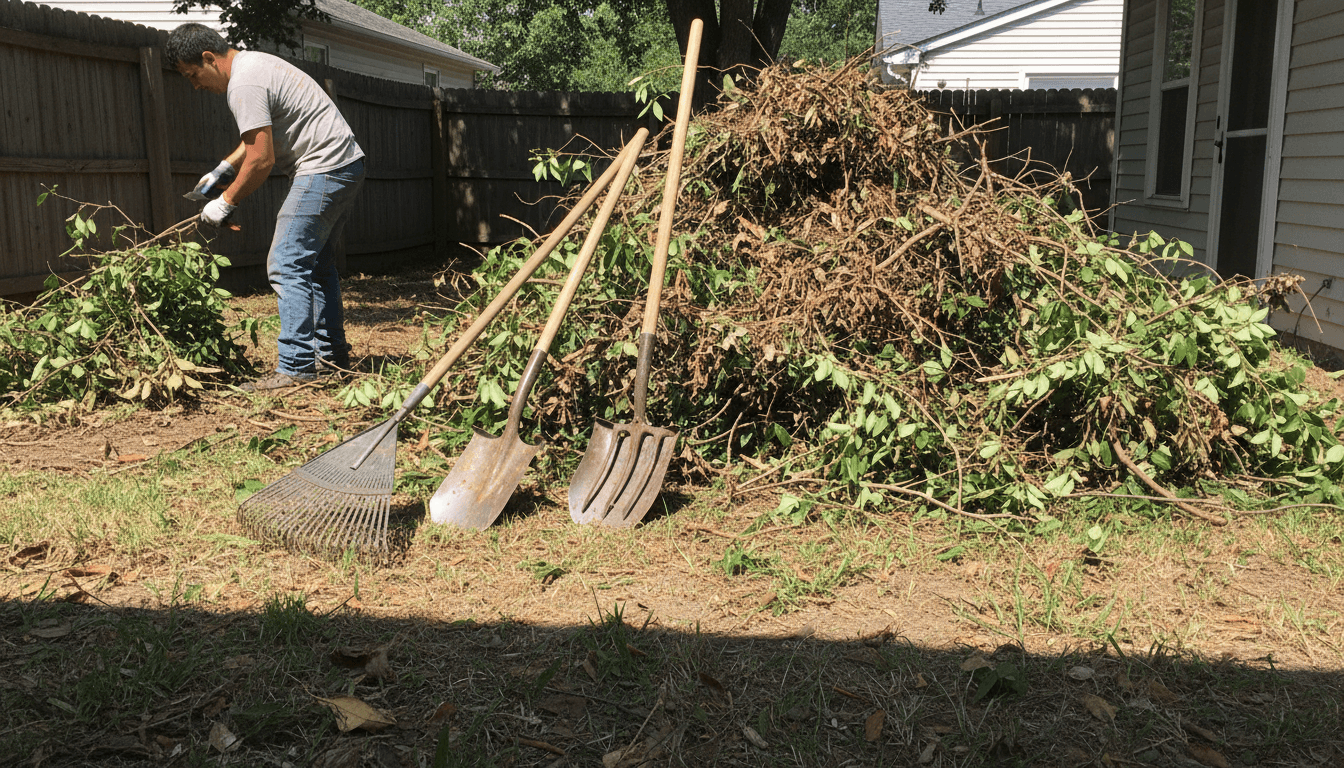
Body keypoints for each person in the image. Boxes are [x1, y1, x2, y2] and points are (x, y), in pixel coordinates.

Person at [164, 23, 365, 392]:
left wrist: (224, 203)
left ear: (209, 58)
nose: (195, 85)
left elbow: (262, 159)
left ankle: (295, 367)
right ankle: (331, 358)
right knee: (316, 264)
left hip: (324, 166)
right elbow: (257, 137)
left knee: (286, 262)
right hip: (346, 164)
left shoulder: (244, 83)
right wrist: (224, 169)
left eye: (194, 75)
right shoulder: (254, 65)